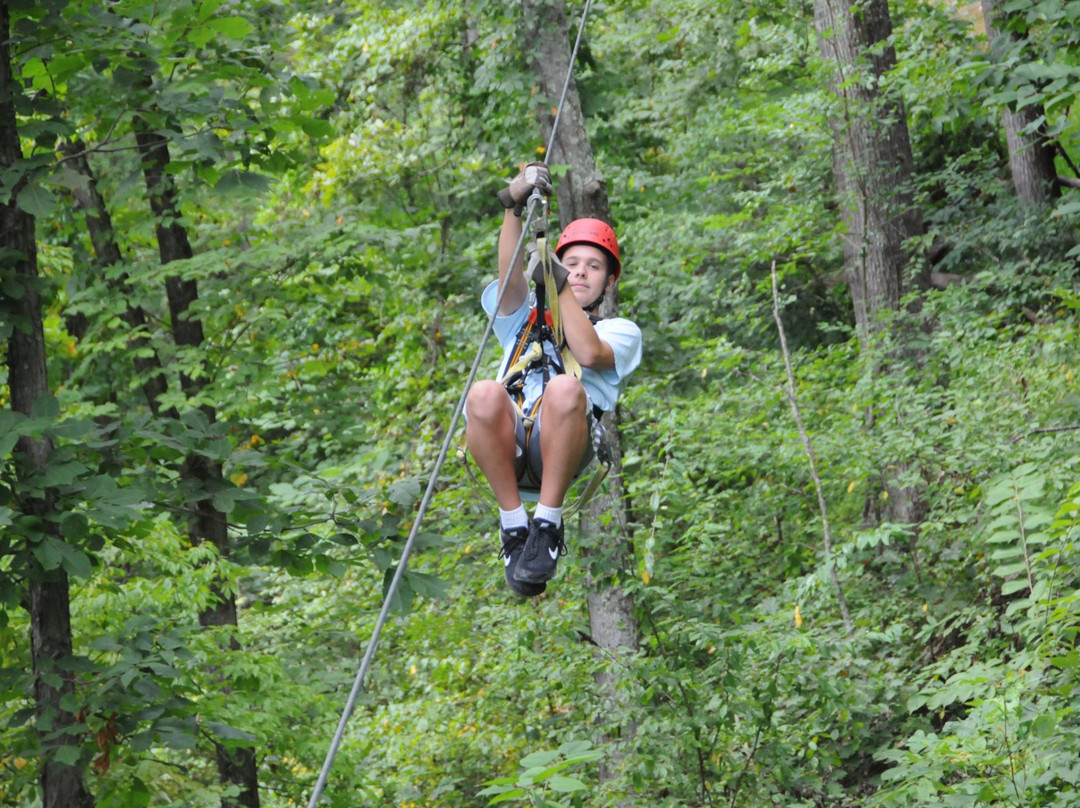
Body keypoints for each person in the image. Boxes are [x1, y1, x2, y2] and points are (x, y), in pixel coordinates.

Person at [465, 162, 643, 597]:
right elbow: (509, 280)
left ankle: (547, 523)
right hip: (508, 442)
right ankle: (514, 527)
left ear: (610, 280)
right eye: (572, 263)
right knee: (484, 392)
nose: (580, 272)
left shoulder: (618, 332)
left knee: (565, 388)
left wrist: (556, 279)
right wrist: (513, 204)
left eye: (593, 267)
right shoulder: (521, 322)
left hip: (560, 451)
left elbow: (587, 353)